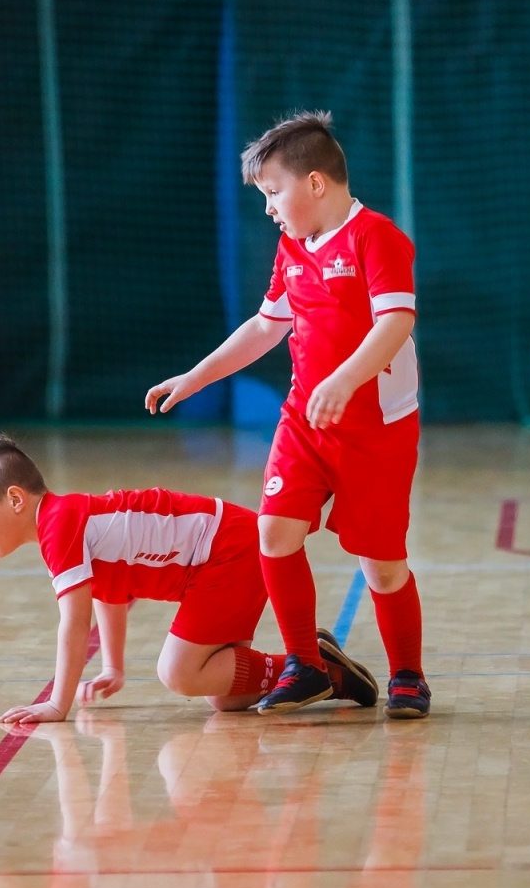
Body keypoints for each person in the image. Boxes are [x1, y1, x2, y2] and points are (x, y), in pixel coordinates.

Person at [145, 111, 429, 718]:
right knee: (274, 532)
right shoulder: (291, 247)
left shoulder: (376, 237)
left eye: (274, 192)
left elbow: (395, 321)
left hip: (376, 429)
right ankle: (305, 664)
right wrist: (197, 376)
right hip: (305, 420)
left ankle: (409, 675)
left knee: (382, 567)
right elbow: (265, 326)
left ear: (315, 183)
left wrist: (346, 379)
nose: (270, 208)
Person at [0, 433, 377, 724]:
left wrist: (57, 704)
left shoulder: (60, 525)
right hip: (228, 550)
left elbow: (75, 623)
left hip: (229, 552)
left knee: (178, 672)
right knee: (224, 696)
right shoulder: (63, 522)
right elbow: (109, 592)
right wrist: (113, 667)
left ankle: (313, 666)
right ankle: (322, 668)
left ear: (16, 499)